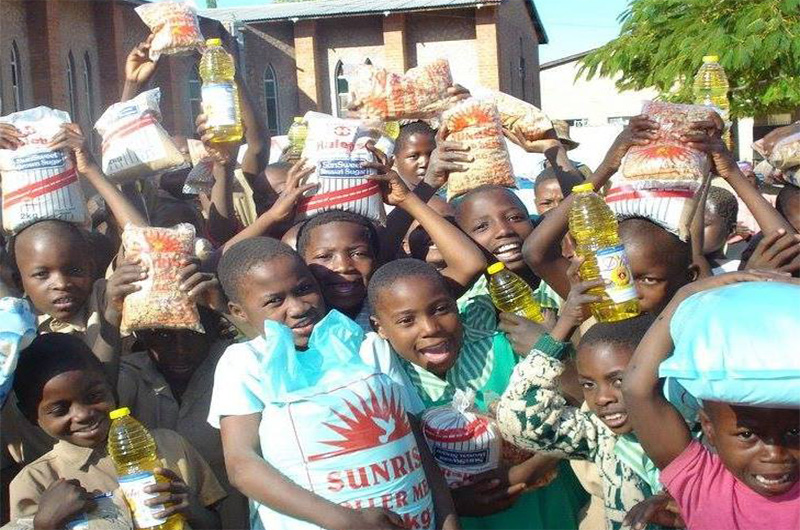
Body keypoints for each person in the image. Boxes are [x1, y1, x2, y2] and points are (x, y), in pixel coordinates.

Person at [210, 237, 459, 530]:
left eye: (304, 289)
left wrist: (448, 519)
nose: (298, 307)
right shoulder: (245, 363)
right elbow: (242, 465)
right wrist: (347, 522)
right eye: (275, 301)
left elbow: (415, 443)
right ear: (239, 311)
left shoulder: (367, 347)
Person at [368, 258, 588, 530]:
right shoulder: (389, 388)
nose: (430, 328)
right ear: (379, 327)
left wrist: (530, 469)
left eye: (441, 309)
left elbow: (579, 407)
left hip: (554, 510)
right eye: (406, 320)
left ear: (456, 305)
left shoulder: (508, 351)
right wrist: (453, 501)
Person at [621, 271, 800, 530]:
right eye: (747, 434)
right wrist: (686, 295)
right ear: (709, 428)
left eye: (795, 432)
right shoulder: (702, 484)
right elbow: (637, 389)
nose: (774, 453)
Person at [495, 272, 669, 530]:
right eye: (588, 384)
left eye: (618, 381)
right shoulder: (602, 435)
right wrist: (559, 332)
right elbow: (516, 419)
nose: (602, 398)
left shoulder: (696, 430)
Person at [9, 333, 225, 528]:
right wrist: (46, 524)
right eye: (60, 410)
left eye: (94, 396)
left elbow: (214, 524)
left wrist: (192, 509)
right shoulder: (36, 481)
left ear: (111, 387)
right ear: (30, 415)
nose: (83, 414)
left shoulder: (171, 446)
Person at [296, 162, 485, 330]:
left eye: (358, 253)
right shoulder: (297, 319)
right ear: (301, 262)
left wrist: (407, 200)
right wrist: (278, 218)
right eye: (324, 256)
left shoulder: (391, 305)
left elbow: (470, 264)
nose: (344, 266)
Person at [702, 186, 740, 273]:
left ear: (730, 230)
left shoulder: (738, 270)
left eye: (702, 225)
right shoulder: (674, 270)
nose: (693, 231)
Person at [394, 122, 436, 187]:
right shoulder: (382, 191)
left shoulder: (449, 190)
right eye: (414, 156)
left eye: (431, 155)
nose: (424, 163)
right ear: (395, 161)